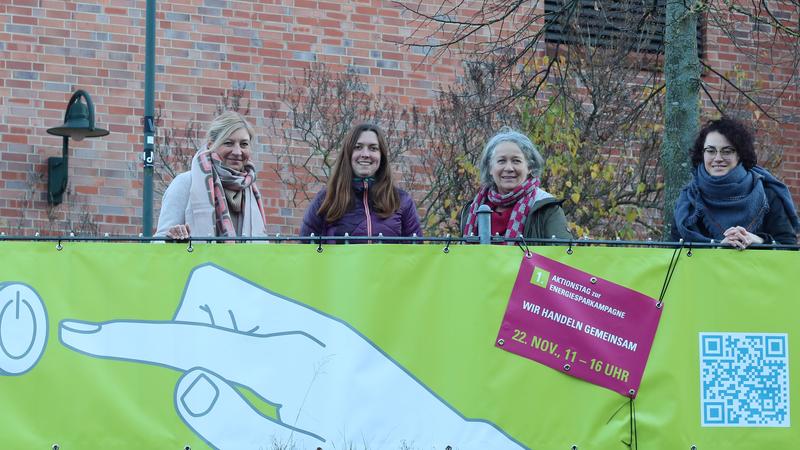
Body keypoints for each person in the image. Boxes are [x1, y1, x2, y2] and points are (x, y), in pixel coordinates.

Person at [671, 117, 799, 248]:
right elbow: (674, 254)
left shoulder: (768, 195)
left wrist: (759, 241)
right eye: (710, 151)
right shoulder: (688, 201)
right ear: (702, 153)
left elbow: (789, 247)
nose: (718, 158)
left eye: (727, 151)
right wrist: (717, 247)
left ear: (740, 155)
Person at [155, 111, 267, 239]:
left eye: (244, 144)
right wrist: (173, 238)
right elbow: (159, 243)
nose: (237, 152)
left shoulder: (250, 189)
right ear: (211, 145)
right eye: (228, 143)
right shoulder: (186, 183)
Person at [301, 123, 422, 239]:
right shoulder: (325, 200)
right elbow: (305, 253)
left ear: (382, 155)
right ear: (348, 153)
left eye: (373, 148)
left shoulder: (402, 201)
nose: (365, 154)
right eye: (358, 147)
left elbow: (416, 255)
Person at [461, 127, 572, 241]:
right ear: (490, 168)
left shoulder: (546, 208)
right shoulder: (472, 210)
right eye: (501, 161)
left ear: (529, 167)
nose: (509, 168)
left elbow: (562, 256)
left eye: (516, 161)